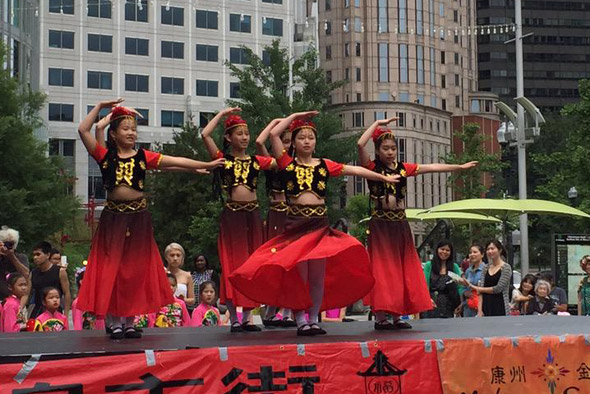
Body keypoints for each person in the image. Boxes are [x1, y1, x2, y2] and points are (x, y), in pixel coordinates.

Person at [230, 111, 400, 336]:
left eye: (311, 138)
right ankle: (301, 321)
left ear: (316, 142)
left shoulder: (324, 165)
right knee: (299, 276)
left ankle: (313, 319)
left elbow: (355, 169)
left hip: (319, 224)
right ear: (295, 142)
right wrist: (296, 115)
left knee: (317, 275)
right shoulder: (287, 164)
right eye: (301, 138)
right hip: (297, 225)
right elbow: (272, 134)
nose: (307, 141)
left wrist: (383, 178)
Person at [77, 98, 223, 340]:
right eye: (125, 129)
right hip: (114, 219)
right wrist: (101, 106)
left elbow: (174, 161)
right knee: (112, 270)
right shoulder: (104, 157)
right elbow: (83, 130)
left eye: (133, 129)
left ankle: (129, 321)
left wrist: (205, 164)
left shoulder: (143, 157)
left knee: (134, 271)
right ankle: (113, 321)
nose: (131, 133)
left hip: (138, 219)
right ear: (113, 134)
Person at [357, 118, 477, 328]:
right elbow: (360, 144)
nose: (390, 152)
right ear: (377, 151)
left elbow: (432, 167)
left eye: (393, 148)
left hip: (400, 224)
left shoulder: (403, 169)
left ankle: (397, 315)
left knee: (402, 269)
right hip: (381, 224)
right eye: (385, 148)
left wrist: (459, 166)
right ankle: (381, 316)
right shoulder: (372, 167)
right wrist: (376, 123)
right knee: (383, 270)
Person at [201, 108, 279, 333]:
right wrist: (223, 113)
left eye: (246, 133)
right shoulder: (222, 160)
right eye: (239, 133)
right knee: (233, 264)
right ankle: (234, 318)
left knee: (252, 264)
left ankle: (246, 318)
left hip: (253, 215)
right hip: (233, 216)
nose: (244, 137)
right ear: (228, 137)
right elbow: (205, 135)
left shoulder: (256, 161)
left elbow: (281, 162)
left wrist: (277, 128)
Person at [256, 118, 296, 328]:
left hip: (293, 215)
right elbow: (259, 141)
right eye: (284, 140)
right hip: (275, 214)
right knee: (275, 265)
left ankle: (287, 312)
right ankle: (271, 311)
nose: (287, 144)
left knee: (292, 265)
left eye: (290, 141)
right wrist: (274, 122)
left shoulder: (297, 164)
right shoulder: (271, 161)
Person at [26, 241, 71, 319]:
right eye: (34, 255)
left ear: (47, 255)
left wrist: (66, 314)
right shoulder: (33, 273)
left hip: (55, 312)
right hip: (38, 312)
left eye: (38, 254)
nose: (35, 257)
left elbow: (66, 293)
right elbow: (26, 294)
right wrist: (20, 308)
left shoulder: (60, 272)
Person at [470, 240, 512, 317]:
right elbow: (480, 291)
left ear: (499, 250)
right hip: (485, 307)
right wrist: (480, 310)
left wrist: (478, 288)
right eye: (488, 249)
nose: (490, 251)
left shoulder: (506, 268)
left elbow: (498, 289)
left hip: (500, 306)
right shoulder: (485, 267)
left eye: (492, 249)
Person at [421, 241, 463, 319]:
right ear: (437, 250)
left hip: (449, 305)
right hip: (432, 304)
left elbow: (460, 287)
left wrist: (461, 303)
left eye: (447, 250)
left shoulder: (454, 267)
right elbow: (424, 284)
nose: (444, 252)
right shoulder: (429, 265)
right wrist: (427, 299)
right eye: (442, 249)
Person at [0, 226, 30, 302]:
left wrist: (12, 257)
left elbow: (26, 274)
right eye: (5, 242)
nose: (8, 246)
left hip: (17, 301)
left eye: (11, 243)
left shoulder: (21, 258)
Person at [164, 243, 195, 307]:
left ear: (182, 257)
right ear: (166, 257)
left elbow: (192, 300)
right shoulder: (161, 273)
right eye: (172, 255)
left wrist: (183, 300)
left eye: (178, 255)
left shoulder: (187, 275)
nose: (175, 258)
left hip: (181, 310)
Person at [461, 245, 486, 317]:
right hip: (468, 307)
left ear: (482, 254)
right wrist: (465, 292)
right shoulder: (468, 271)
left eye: (475, 252)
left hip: (481, 307)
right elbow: (463, 288)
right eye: (470, 252)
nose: (472, 254)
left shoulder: (486, 269)